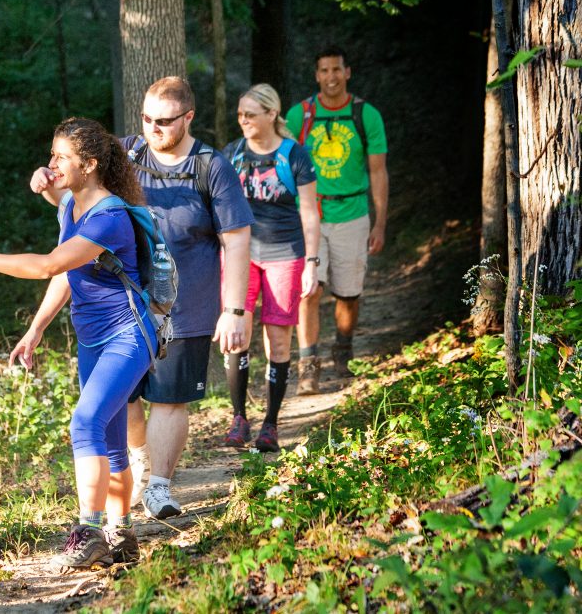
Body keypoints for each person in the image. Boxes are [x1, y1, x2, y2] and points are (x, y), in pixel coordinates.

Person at [0, 118, 152, 572]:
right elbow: (70, 276)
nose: (50, 164)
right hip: (93, 340)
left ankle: (88, 532)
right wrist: (35, 329)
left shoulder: (109, 216)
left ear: (89, 165)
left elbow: (49, 266)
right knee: (109, 441)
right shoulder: (72, 206)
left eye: (60, 158)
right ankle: (122, 533)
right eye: (50, 155)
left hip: (129, 335)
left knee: (86, 423)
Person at [31, 77, 254, 520]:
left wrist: (234, 309)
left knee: (169, 399)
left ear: (188, 117)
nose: (153, 128)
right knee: (126, 400)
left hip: (184, 304)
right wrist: (48, 182)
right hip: (125, 308)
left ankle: (159, 485)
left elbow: (238, 239)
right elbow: (82, 206)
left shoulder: (212, 167)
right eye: (147, 119)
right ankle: (137, 466)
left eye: (165, 121)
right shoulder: (126, 153)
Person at [220, 84, 319, 452]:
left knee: (278, 339)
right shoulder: (232, 154)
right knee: (237, 335)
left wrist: (311, 261)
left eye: (250, 113)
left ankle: (271, 424)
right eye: (240, 114)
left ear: (272, 114)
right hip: (240, 256)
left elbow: (309, 211)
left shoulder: (294, 155)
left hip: (285, 253)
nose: (243, 120)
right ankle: (239, 417)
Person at [284, 47, 388, 395]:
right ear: (316, 75)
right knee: (308, 289)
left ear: (347, 72)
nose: (330, 76)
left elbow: (378, 171)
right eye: (324, 70)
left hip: (353, 214)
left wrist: (380, 222)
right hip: (309, 215)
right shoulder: (300, 116)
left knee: (348, 294)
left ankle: (342, 352)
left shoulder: (365, 115)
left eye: (336, 70)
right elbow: (281, 167)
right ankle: (308, 366)